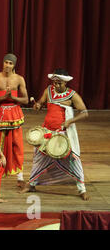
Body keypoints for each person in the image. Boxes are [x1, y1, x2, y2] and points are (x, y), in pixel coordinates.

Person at [20, 69, 90, 200]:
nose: (56, 85)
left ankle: (82, 189)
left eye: (59, 83)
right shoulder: (48, 91)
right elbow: (40, 103)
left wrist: (70, 121)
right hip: (47, 131)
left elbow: (84, 112)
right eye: (55, 83)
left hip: (62, 133)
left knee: (73, 159)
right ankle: (32, 184)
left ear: (65, 82)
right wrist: (38, 105)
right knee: (39, 158)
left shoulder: (72, 95)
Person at [0, 53, 28, 188]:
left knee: (17, 144)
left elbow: (25, 100)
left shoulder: (19, 79)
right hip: (0, 113)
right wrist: (4, 97)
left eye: (11, 63)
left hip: (14, 114)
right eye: (6, 62)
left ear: (14, 65)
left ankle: (20, 177)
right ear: (3, 62)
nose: (8, 65)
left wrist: (13, 98)